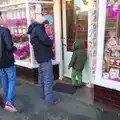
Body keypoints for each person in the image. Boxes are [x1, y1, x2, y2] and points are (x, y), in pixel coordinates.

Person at [27, 14, 59, 104]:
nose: (45, 24)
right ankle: (49, 98)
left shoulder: (33, 28)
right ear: (41, 22)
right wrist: (51, 42)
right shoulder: (39, 28)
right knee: (48, 78)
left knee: (41, 76)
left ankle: (43, 95)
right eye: (45, 22)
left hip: (40, 57)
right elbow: (45, 39)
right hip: (44, 57)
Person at [0, 11, 17, 112]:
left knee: (4, 80)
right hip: (7, 60)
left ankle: (8, 98)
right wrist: (15, 48)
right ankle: (9, 102)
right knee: (12, 80)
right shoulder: (4, 30)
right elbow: (10, 47)